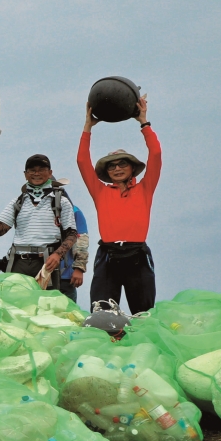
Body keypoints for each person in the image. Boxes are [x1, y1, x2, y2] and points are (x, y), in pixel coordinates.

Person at [79, 94, 160, 313]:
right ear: (107, 172)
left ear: (132, 168)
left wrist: (143, 122)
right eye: (112, 166)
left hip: (138, 255)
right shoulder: (101, 192)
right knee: (102, 313)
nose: (117, 168)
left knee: (143, 314)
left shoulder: (145, 189)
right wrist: (88, 127)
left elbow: (156, 153)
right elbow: (82, 161)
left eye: (122, 164)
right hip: (108, 255)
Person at [0, 154, 79, 290]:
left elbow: (72, 234)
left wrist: (57, 255)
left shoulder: (61, 201)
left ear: (50, 173)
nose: (36, 173)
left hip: (46, 261)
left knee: (44, 305)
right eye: (32, 170)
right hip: (18, 261)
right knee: (14, 304)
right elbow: (0, 230)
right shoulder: (18, 201)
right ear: (25, 175)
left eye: (41, 169)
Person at [60, 199, 90, 303]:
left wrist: (79, 268)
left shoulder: (74, 211)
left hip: (65, 276)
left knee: (68, 315)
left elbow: (81, 240)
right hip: (38, 274)